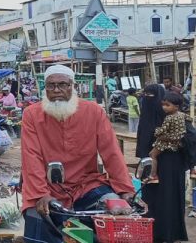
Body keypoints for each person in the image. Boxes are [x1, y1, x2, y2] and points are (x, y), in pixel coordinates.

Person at [21, 65, 134, 243]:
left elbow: (111, 152)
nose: (56, 90)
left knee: (119, 213)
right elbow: (31, 156)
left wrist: (126, 190)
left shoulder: (94, 111)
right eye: (51, 85)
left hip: (87, 185)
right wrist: (40, 194)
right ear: (45, 88)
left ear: (72, 86)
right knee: (36, 220)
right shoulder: (31, 114)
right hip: (46, 187)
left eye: (62, 85)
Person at [141, 92, 189, 242]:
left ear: (175, 105)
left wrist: (156, 132)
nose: (163, 107)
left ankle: (153, 174)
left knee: (153, 155)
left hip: (171, 164)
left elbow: (184, 138)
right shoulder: (182, 116)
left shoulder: (169, 118)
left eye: (166, 105)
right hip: (171, 159)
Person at [135, 85, 167, 160]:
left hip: (160, 139)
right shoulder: (146, 105)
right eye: (145, 94)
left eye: (149, 94)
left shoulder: (166, 109)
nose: (147, 96)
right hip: (145, 135)